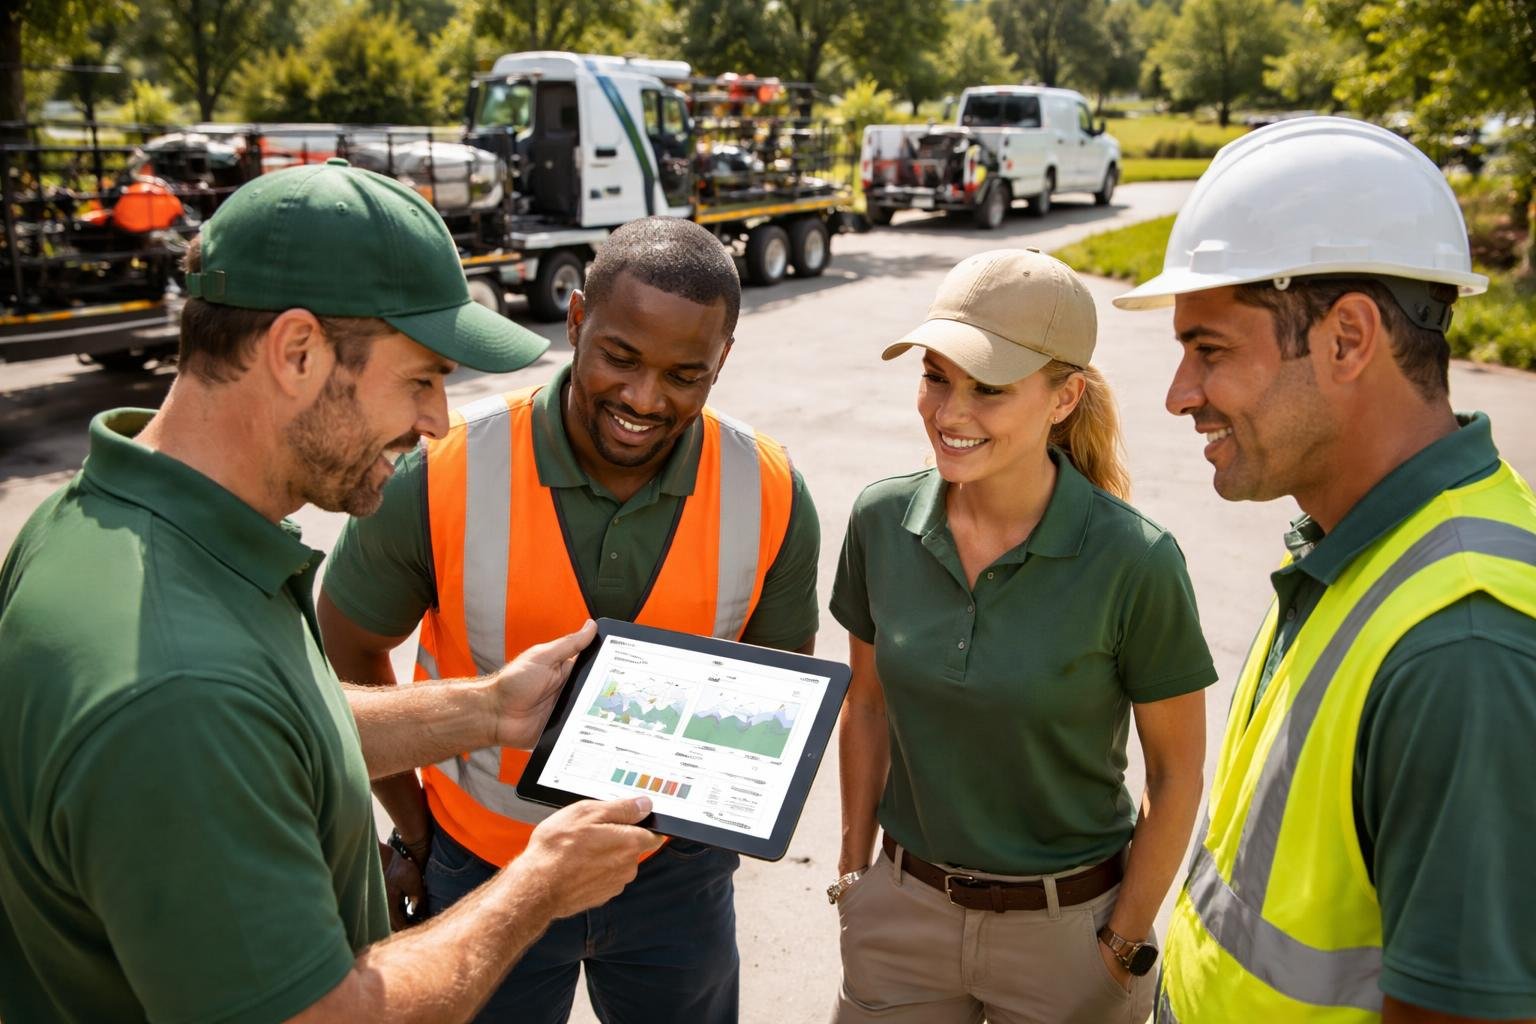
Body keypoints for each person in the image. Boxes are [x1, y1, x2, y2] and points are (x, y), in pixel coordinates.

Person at [0, 159, 664, 1024]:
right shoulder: (180, 687)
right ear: (298, 351)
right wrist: (536, 886)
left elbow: (274, 730)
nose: (435, 421)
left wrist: (488, 710)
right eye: (422, 378)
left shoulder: (112, 525)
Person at [317, 215, 821, 1023]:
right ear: (577, 319)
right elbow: (346, 648)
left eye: (685, 374)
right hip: (481, 865)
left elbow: (773, 692)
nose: (644, 399)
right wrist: (414, 827)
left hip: (671, 879)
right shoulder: (445, 468)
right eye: (620, 357)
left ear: (722, 360)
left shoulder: (769, 489)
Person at [1114, 117, 1536, 1023]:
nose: (1179, 394)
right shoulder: (1353, 547)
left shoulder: (1460, 650)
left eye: (1211, 349)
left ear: (1348, 338)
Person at [829, 248, 1217, 1023]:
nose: (949, 413)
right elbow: (866, 705)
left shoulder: (1137, 561)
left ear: (1064, 396)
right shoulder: (880, 521)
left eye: (989, 390)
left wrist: (1123, 940)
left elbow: (1175, 779)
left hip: (1069, 940)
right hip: (902, 918)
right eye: (936, 376)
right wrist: (853, 873)